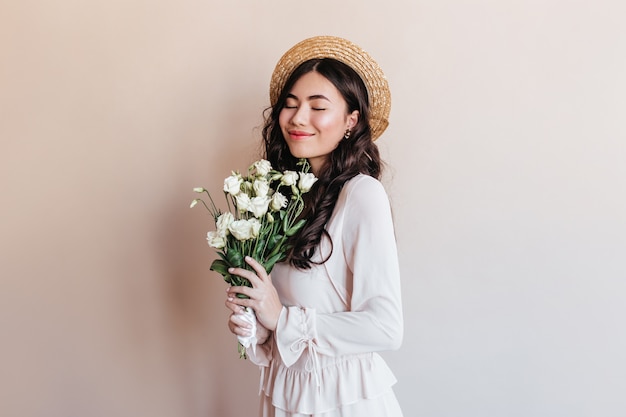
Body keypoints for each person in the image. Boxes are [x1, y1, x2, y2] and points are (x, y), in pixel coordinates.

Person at [224, 36, 403, 417]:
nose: (298, 118)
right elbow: (288, 326)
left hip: (341, 402)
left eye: (317, 106)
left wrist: (283, 319)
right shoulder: (282, 200)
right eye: (290, 105)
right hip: (286, 395)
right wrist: (255, 321)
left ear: (351, 121)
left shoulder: (361, 195)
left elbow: (386, 327)